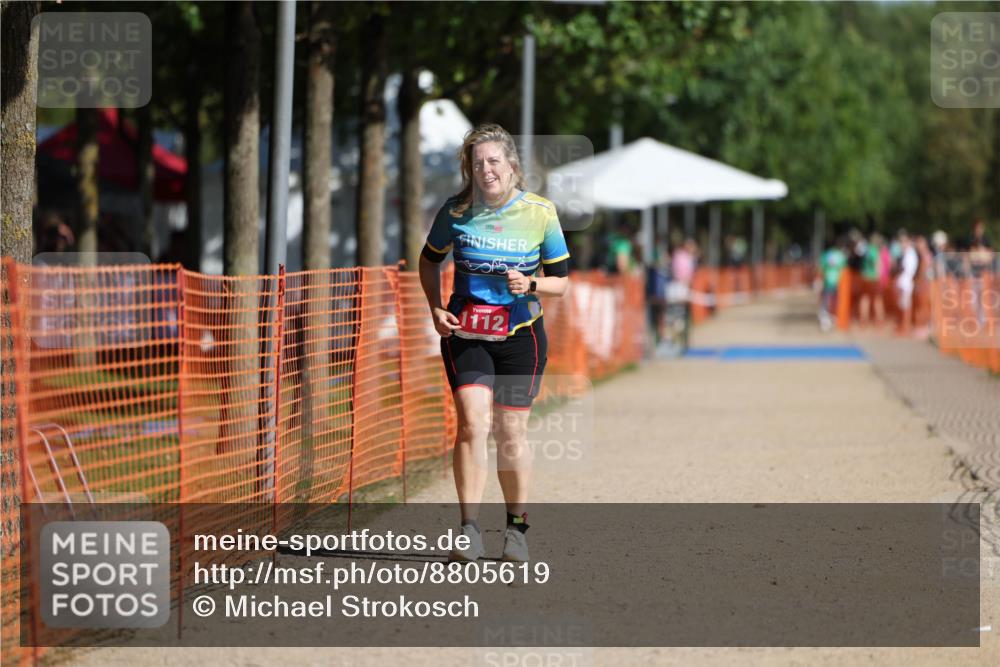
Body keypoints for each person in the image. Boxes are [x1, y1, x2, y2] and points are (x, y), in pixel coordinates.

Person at [418, 123, 570, 564]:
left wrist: (533, 283)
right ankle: (468, 530)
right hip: (467, 335)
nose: (486, 170)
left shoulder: (541, 212)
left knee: (511, 432)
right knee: (471, 424)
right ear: (468, 168)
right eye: (477, 163)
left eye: (493, 162)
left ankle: (516, 529)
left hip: (521, 337)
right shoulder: (455, 212)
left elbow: (562, 283)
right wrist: (434, 307)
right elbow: (429, 264)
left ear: (511, 165)